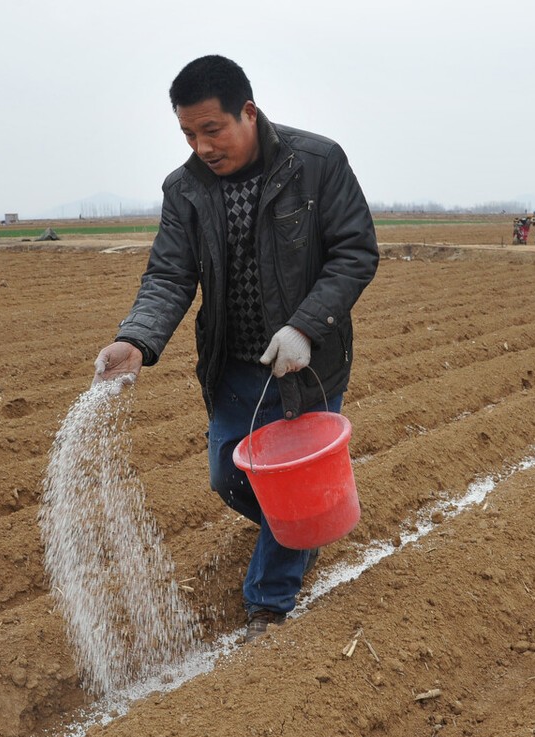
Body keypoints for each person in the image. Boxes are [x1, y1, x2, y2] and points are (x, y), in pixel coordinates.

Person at [91, 55, 379, 642]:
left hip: (306, 362)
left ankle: (268, 606)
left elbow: (355, 253)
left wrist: (304, 326)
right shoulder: (185, 190)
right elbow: (169, 276)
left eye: (212, 130)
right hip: (234, 365)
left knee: (289, 478)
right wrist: (136, 341)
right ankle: (301, 531)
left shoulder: (317, 163)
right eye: (188, 134)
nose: (201, 146)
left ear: (247, 112)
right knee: (228, 476)